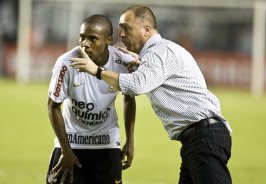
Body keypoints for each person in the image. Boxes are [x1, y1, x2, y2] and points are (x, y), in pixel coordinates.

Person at [70, 5, 232, 184]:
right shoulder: (158, 53)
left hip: (204, 138)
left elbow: (136, 86)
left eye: (126, 28)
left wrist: (97, 71)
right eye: (120, 28)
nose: (121, 34)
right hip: (198, 139)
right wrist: (141, 65)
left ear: (146, 30)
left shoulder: (158, 53)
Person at [46, 14, 136, 184]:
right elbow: (53, 106)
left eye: (92, 39)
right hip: (70, 141)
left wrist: (130, 141)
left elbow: (129, 98)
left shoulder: (122, 63)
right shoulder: (66, 63)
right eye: (82, 37)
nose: (85, 43)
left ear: (108, 40)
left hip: (107, 142)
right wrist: (65, 150)